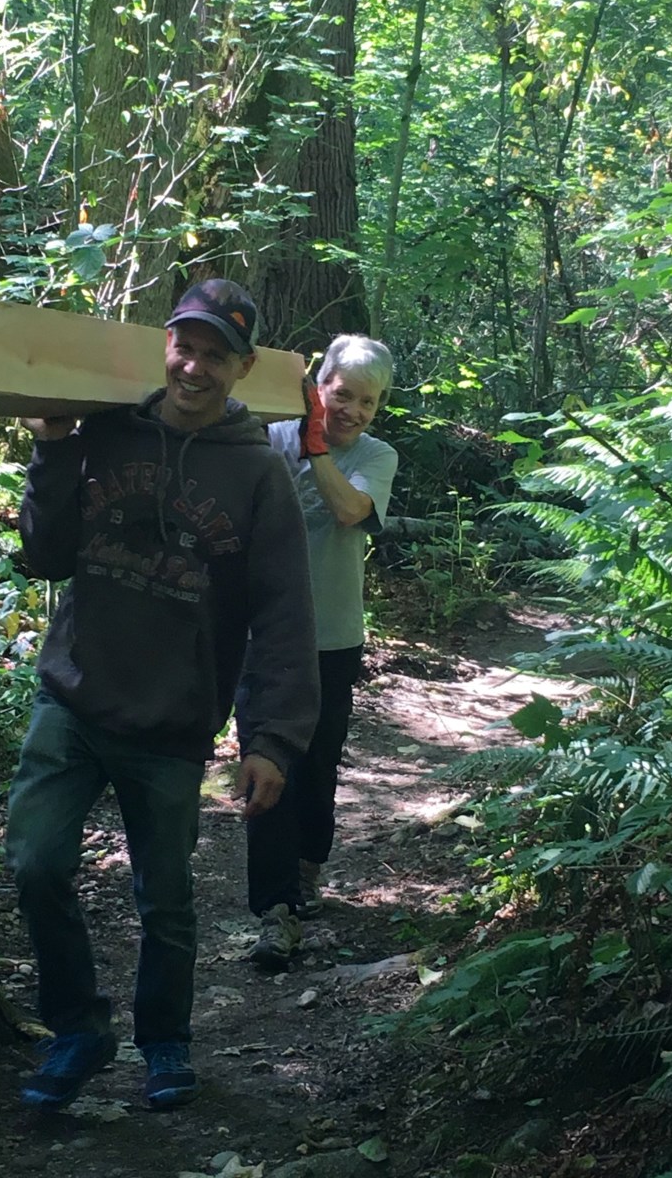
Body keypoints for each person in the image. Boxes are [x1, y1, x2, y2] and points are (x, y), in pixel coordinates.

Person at [6, 279, 320, 1111]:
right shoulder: (108, 429)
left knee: (166, 900)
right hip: (72, 699)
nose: (195, 365)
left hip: (172, 724)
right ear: (166, 345)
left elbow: (285, 616)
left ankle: (165, 1040)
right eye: (186, 344)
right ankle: (78, 1028)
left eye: (216, 353)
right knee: (33, 864)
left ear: (243, 367)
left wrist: (272, 739)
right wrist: (52, 448)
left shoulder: (258, 476)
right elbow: (46, 556)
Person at [237, 334, 398, 970]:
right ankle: (275, 911)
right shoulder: (269, 438)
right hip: (263, 639)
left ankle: (308, 869)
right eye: (343, 394)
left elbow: (351, 510)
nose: (354, 410)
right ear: (318, 386)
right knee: (265, 763)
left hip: (333, 637)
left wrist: (316, 448)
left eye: (369, 401)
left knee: (318, 763)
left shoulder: (376, 455)